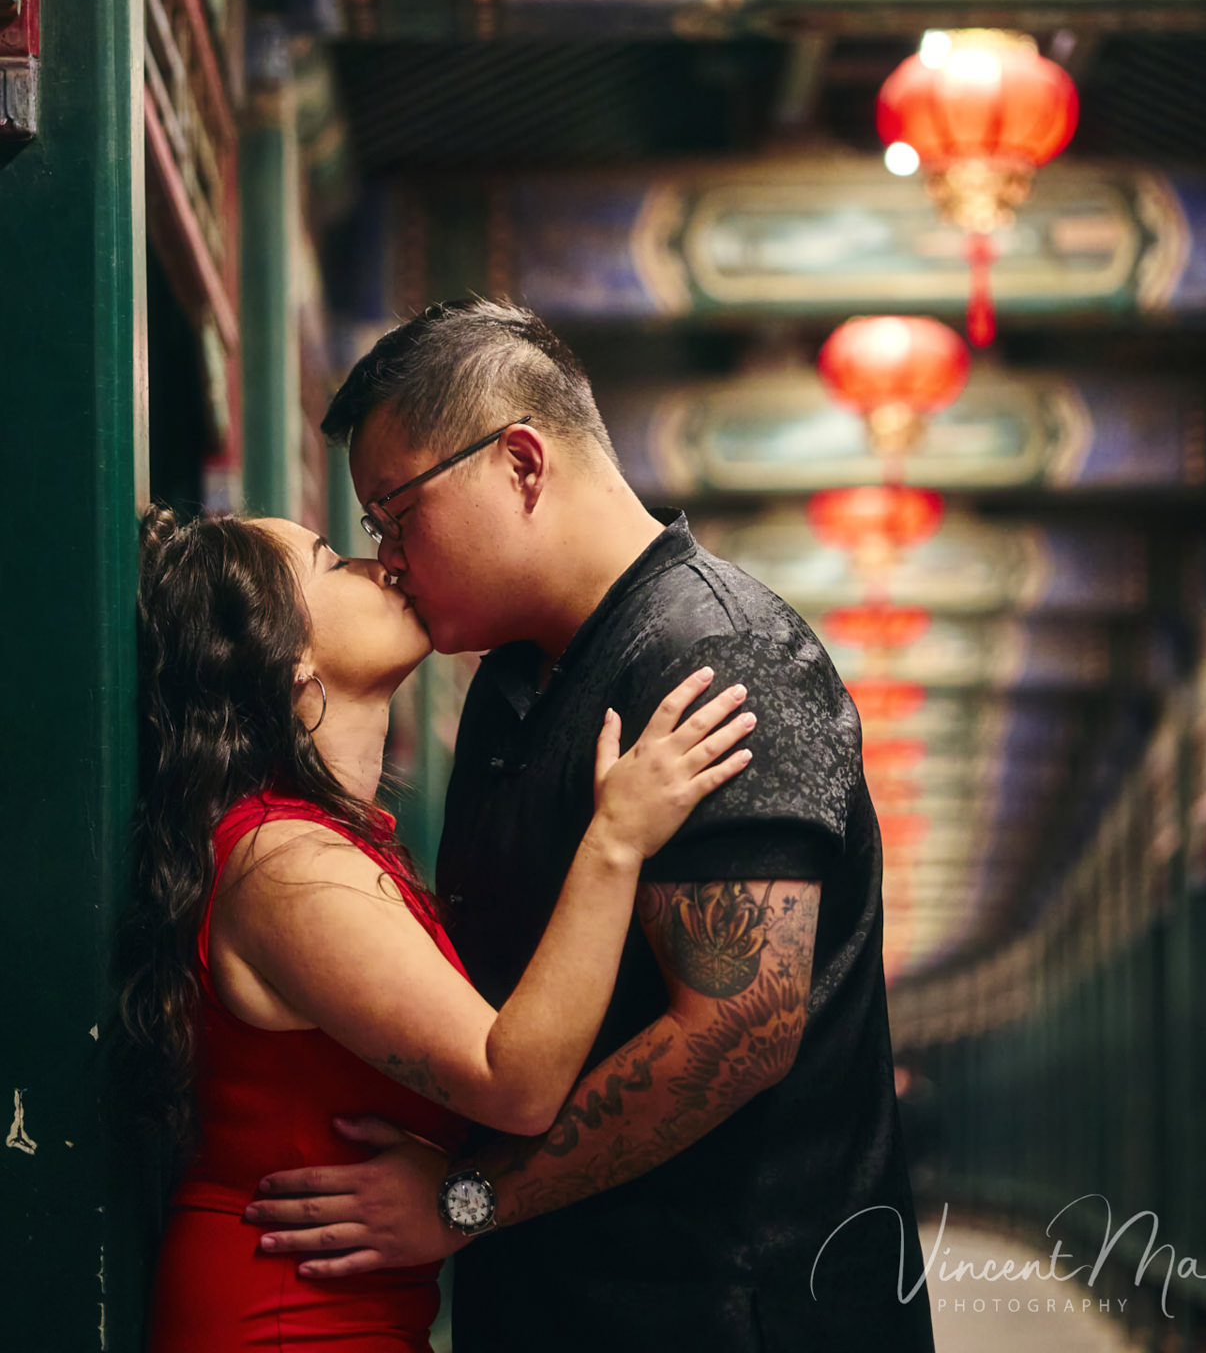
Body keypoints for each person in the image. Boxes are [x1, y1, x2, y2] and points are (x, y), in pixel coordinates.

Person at [245, 299, 937, 1353]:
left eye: (394, 514)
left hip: (731, 1308)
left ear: (520, 463)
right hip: (555, 1302)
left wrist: (464, 1201)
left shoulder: (716, 656)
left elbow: (734, 1033)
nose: (385, 557)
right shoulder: (510, 680)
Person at [124, 503, 756, 1352]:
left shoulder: (328, 842)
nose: (378, 563)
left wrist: (450, 1186)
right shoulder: (285, 864)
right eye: (330, 562)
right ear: (290, 659)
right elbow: (516, 1082)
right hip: (283, 1315)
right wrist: (616, 839)